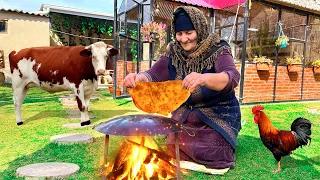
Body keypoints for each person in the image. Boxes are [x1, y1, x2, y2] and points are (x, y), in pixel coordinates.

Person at [124, 6, 241, 169]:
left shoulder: (218, 49)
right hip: (186, 114)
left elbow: (232, 77)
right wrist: (137, 78)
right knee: (173, 145)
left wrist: (204, 78)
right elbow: (153, 74)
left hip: (217, 113)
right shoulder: (174, 52)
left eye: (189, 32)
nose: (184, 39)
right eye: (179, 33)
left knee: (213, 150)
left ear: (199, 30)